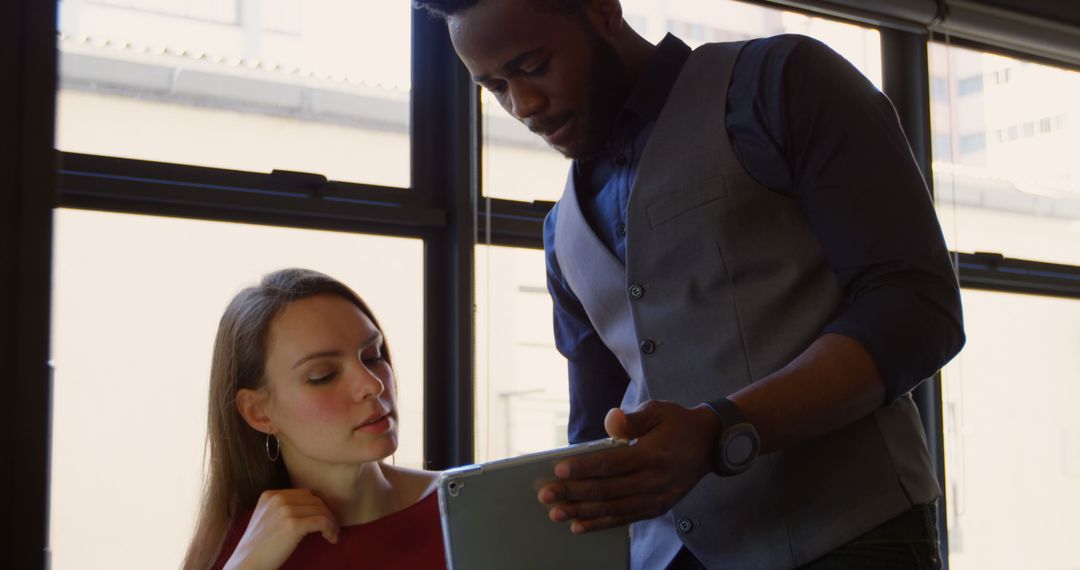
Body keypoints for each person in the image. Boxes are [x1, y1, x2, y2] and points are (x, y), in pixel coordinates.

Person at [415, 0, 965, 568]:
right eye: (495, 86)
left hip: (850, 540)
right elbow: (595, 430)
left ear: (603, 11)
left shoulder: (781, 81)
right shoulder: (562, 233)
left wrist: (719, 429)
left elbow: (916, 307)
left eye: (533, 66)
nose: (523, 105)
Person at [183, 268, 446, 570]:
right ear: (258, 412)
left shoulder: (473, 507)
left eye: (373, 356)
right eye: (324, 375)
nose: (373, 384)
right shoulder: (239, 553)